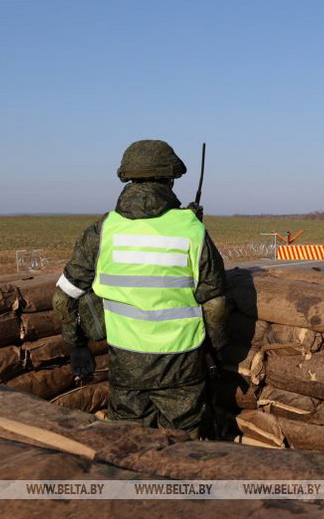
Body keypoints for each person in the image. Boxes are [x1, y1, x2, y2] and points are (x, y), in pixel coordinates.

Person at [52, 139, 228, 438]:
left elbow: (63, 297)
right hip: (182, 362)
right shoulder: (192, 229)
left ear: (127, 177)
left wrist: (77, 345)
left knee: (127, 440)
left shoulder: (102, 231)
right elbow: (215, 305)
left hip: (125, 361)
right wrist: (217, 348)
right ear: (171, 178)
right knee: (185, 443)